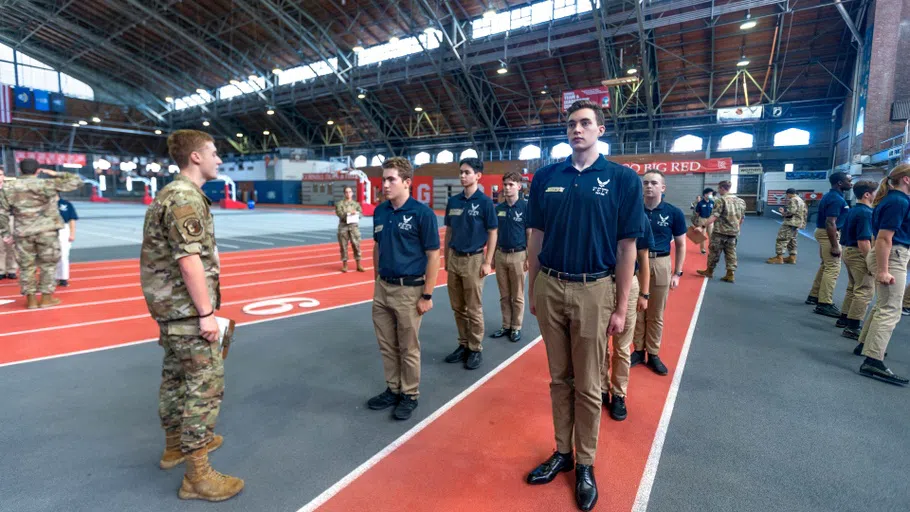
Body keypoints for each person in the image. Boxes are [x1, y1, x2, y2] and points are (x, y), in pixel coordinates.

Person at [525, 99, 643, 511]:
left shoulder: (622, 180)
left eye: (586, 123)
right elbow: (535, 237)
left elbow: (627, 247)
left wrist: (622, 305)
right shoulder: (546, 177)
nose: (578, 129)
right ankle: (563, 452)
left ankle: (586, 462)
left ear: (600, 130)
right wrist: (532, 285)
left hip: (595, 290)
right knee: (559, 378)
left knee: (590, 385)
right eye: (572, 123)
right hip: (550, 286)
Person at [140, 130, 243, 501]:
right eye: (214, 153)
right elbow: (189, 261)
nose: (219, 159)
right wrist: (206, 314)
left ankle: (173, 448)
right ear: (196, 157)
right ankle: (197, 476)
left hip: (171, 312)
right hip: (187, 312)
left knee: (174, 378)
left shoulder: (170, 194)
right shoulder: (184, 197)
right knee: (205, 385)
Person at [368, 157, 441, 420]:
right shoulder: (381, 211)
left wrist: (427, 294)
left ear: (407, 182)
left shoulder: (423, 214)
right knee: (387, 344)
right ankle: (393, 388)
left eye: (391, 179)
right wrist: (377, 279)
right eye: (383, 179)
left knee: (408, 347)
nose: (385, 185)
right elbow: (377, 246)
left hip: (409, 290)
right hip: (383, 289)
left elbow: (433, 255)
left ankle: (410, 394)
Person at [854, 164, 910, 386]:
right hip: (892, 255)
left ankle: (865, 345)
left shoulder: (895, 200)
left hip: (892, 253)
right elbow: (885, 238)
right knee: (890, 309)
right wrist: (884, 270)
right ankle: (873, 360)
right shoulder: (898, 201)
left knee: (881, 305)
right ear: (906, 179)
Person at [0, 159, 81, 309]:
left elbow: (2, 212)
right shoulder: (47, 184)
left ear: (20, 170)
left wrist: (5, 233)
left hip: (23, 232)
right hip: (47, 232)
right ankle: (46, 298)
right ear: (38, 170)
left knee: (26, 266)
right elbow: (76, 181)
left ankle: (31, 300)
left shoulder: (8, 186)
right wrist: (55, 173)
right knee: (48, 265)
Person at [442, 157, 498, 370]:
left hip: (474, 260)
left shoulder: (485, 203)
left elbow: (493, 232)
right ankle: (463, 344)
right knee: (458, 307)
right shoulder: (453, 201)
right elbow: (449, 232)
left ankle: (475, 348)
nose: (463, 175)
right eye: (461, 172)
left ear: (478, 176)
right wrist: (446, 257)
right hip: (455, 258)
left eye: (467, 172)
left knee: (473, 308)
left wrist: (487, 261)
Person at [631, 170, 687, 376]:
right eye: (645, 183)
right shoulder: (633, 210)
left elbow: (681, 244)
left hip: (661, 262)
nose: (648, 186)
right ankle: (638, 350)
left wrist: (677, 273)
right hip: (635, 263)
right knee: (637, 310)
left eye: (654, 183)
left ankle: (653, 352)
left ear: (663, 188)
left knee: (655, 313)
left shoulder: (674, 213)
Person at [603, 213, 652, 422]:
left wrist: (644, 293)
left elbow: (643, 257)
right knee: (600, 344)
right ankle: (602, 389)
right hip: (600, 283)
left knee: (622, 347)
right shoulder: (601, 210)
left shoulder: (638, 217)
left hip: (629, 286)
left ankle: (619, 394)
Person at [806, 171, 853, 317]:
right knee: (833, 267)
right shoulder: (835, 199)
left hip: (824, 232)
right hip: (828, 234)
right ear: (840, 183)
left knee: (826, 265)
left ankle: (814, 295)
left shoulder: (832, 196)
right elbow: (830, 222)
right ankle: (824, 303)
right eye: (848, 180)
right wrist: (834, 245)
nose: (850, 183)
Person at [490, 171, 529, 343]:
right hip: (500, 255)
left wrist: (528, 257)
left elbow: (529, 233)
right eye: (505, 184)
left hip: (519, 255)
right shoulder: (498, 209)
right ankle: (506, 325)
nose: (506, 187)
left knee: (518, 295)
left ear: (519, 187)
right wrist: (490, 256)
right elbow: (494, 234)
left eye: (511, 184)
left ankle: (516, 327)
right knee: (504, 295)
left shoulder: (526, 207)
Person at [837, 181, 877, 339]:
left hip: (848, 251)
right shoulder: (866, 213)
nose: (876, 195)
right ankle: (853, 327)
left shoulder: (853, 210)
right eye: (874, 192)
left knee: (853, 287)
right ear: (867, 194)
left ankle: (844, 318)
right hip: (860, 253)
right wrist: (871, 261)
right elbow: (864, 241)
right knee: (865, 290)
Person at [696, 180, 746, 283]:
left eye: (719, 189)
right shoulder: (741, 201)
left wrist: (702, 226)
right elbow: (742, 218)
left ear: (723, 188)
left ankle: (709, 271)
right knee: (731, 253)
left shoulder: (720, 200)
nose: (718, 191)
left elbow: (714, 216)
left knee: (714, 252)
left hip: (720, 232)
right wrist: (736, 228)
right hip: (733, 233)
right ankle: (730, 274)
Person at [766, 188, 807, 264]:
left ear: (788, 193)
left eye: (787, 195)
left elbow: (792, 211)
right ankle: (792, 257)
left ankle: (779, 257)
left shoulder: (793, 200)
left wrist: (783, 213)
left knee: (782, 238)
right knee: (792, 240)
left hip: (790, 223)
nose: (787, 196)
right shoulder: (801, 200)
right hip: (797, 223)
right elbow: (804, 213)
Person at [335, 185, 364, 273]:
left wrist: (356, 214)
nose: (348, 193)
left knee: (356, 245)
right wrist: (349, 213)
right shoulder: (340, 204)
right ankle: (345, 265)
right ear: (344, 193)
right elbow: (339, 213)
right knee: (343, 246)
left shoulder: (356, 204)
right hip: (343, 227)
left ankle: (358, 264)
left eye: (350, 192)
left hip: (354, 227)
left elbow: (361, 214)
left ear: (352, 193)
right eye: (346, 192)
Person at [55, 193, 78, 287]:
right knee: (49, 256)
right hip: (48, 231)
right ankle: (52, 278)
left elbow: (72, 220)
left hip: (63, 230)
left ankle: (63, 278)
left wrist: (72, 234)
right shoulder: (45, 204)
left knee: (63, 255)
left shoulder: (66, 204)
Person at [0, 168, 17, 280]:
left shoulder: (11, 188)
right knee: (0, 247)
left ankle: (12, 269)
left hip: (10, 218)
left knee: (12, 245)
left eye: (1, 174)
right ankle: (1, 270)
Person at [691, 188, 714, 254]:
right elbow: (697, 213)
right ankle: (702, 249)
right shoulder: (700, 203)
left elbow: (713, 212)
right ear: (705, 194)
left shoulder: (712, 202)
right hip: (702, 220)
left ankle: (711, 248)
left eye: (711, 194)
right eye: (710, 194)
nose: (711, 195)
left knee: (711, 235)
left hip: (710, 220)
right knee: (702, 235)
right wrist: (697, 220)